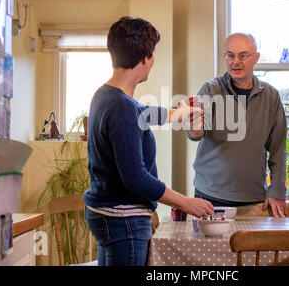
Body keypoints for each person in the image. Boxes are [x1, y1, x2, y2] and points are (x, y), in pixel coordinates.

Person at [84, 16, 214, 266]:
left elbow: (141, 113)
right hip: (124, 221)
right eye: (152, 54)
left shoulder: (105, 95)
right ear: (145, 58)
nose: (153, 60)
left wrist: (178, 112)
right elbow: (136, 178)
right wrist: (187, 203)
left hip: (105, 214)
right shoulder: (121, 106)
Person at [185, 33, 288, 218]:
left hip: (255, 199)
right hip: (210, 196)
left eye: (243, 55)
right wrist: (194, 124)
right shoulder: (211, 89)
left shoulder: (271, 96)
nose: (235, 62)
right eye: (230, 55)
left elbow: (278, 148)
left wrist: (277, 190)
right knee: (210, 249)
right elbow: (195, 133)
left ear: (256, 58)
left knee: (250, 248)